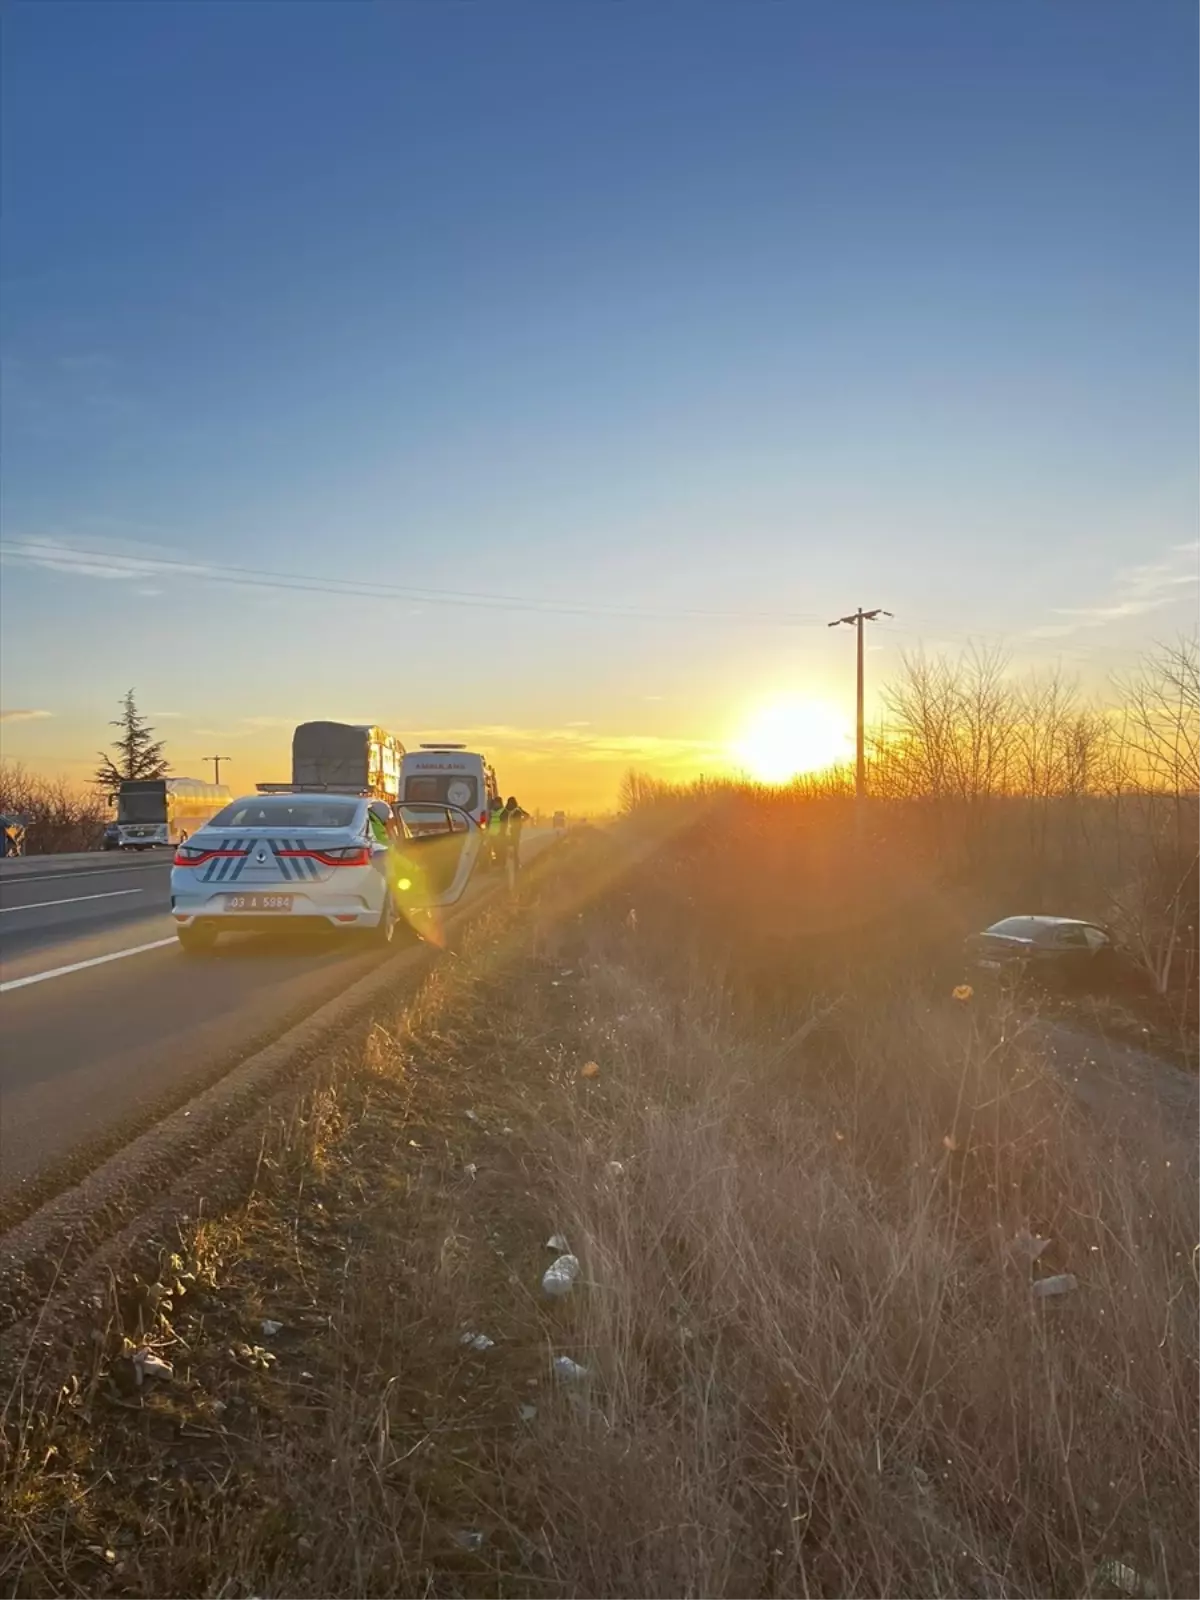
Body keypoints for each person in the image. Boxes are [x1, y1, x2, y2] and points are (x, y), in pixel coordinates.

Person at [501, 795, 530, 878]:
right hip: (515, 832)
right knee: (515, 848)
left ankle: (505, 865)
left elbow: (501, 819)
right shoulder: (517, 810)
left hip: (506, 831)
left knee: (505, 848)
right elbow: (527, 815)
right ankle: (516, 865)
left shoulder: (505, 811)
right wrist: (521, 821)